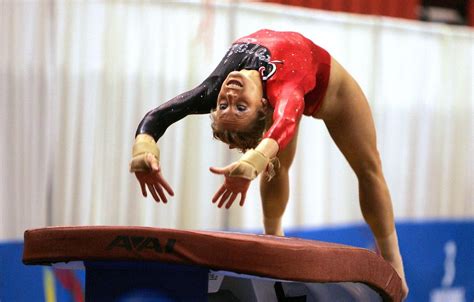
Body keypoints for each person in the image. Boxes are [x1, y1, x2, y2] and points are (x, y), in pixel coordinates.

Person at [129, 29, 408, 298]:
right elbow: (284, 122)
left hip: (313, 94)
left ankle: (393, 260)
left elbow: (157, 116)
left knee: (369, 168)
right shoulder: (283, 91)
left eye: (224, 105)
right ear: (263, 106)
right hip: (321, 94)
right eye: (240, 107)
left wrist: (143, 149)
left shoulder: (214, 88)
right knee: (288, 162)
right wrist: (253, 162)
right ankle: (275, 239)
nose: (229, 96)